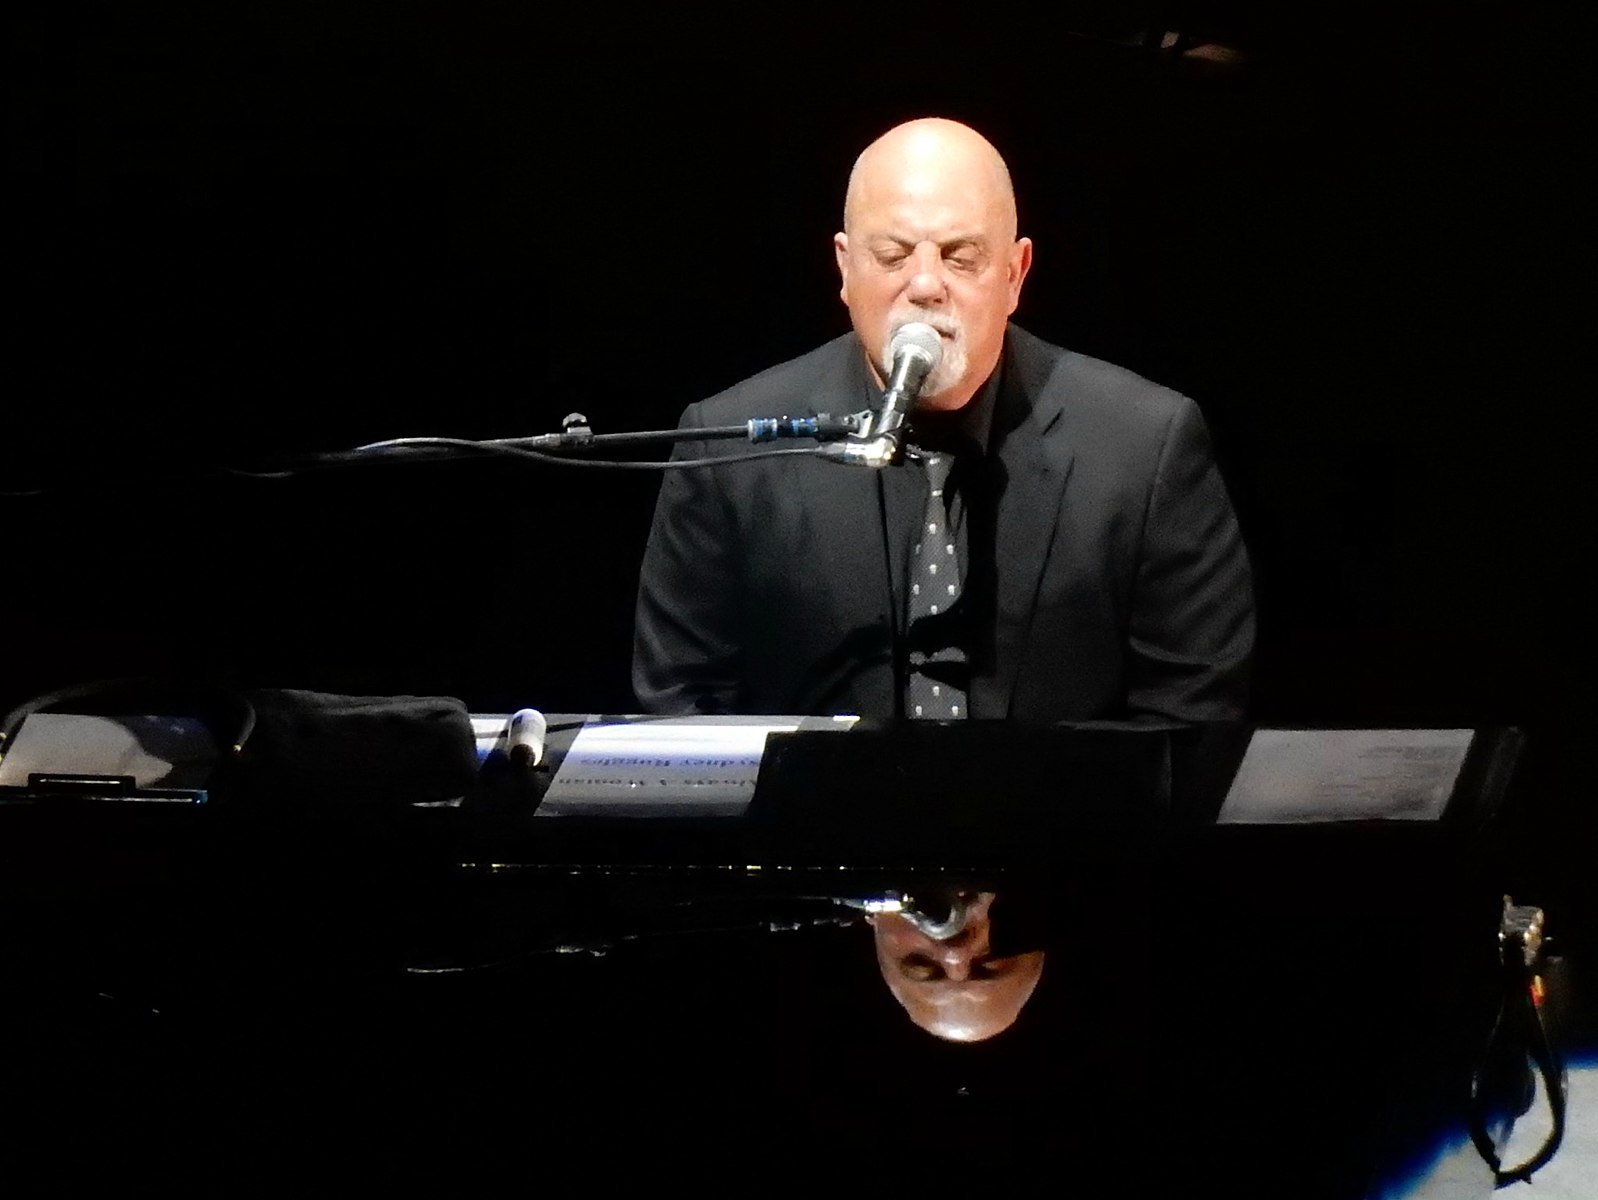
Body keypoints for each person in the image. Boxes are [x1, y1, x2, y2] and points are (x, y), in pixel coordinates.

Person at [633, 118, 1253, 722]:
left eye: (961, 257)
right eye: (892, 254)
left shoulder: (1146, 444)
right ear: (846, 269)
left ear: (1015, 274)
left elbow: (1189, 722)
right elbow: (684, 714)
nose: (925, 285)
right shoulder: (729, 446)